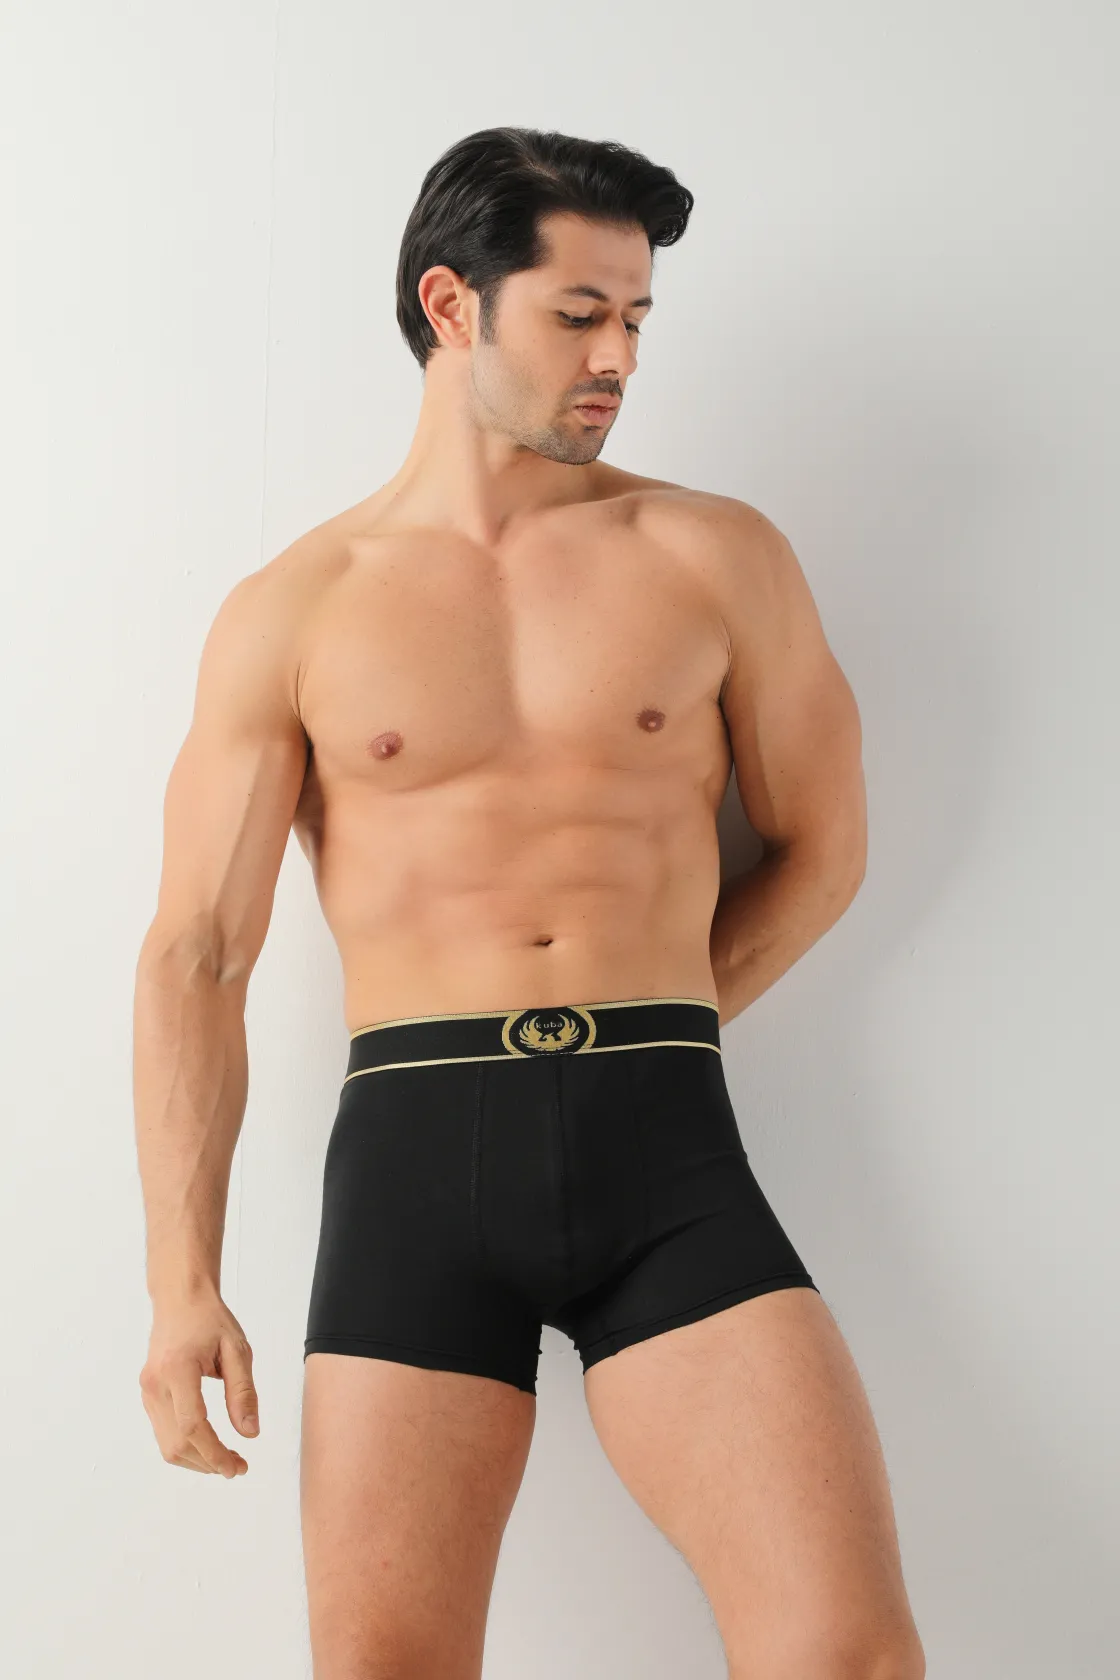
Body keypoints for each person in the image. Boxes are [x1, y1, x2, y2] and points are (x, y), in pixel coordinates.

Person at [133, 126, 925, 1679]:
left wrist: (658, 1023)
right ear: (452, 304)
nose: (618, 356)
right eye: (578, 314)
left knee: (846, 1656)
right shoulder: (297, 609)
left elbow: (824, 850)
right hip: (416, 1173)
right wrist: (181, 1288)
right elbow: (199, 953)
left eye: (636, 318)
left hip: (666, 1155)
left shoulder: (713, 555)